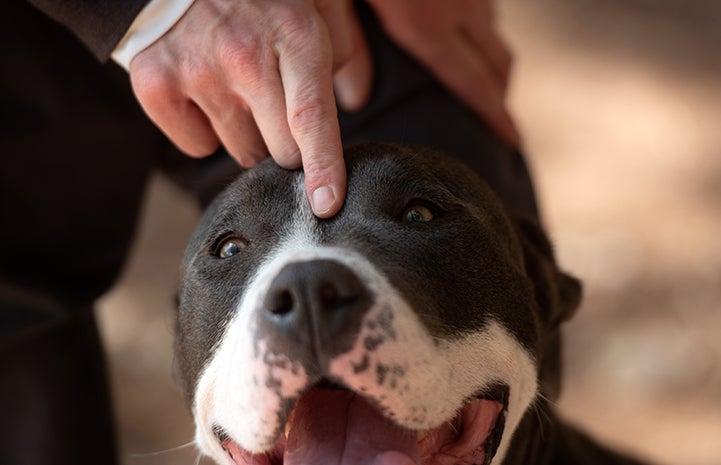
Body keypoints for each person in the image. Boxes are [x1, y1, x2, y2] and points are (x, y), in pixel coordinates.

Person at [0, 1, 536, 464]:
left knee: (467, 173)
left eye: (417, 216)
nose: (308, 294)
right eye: (229, 250)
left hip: (330, 19)